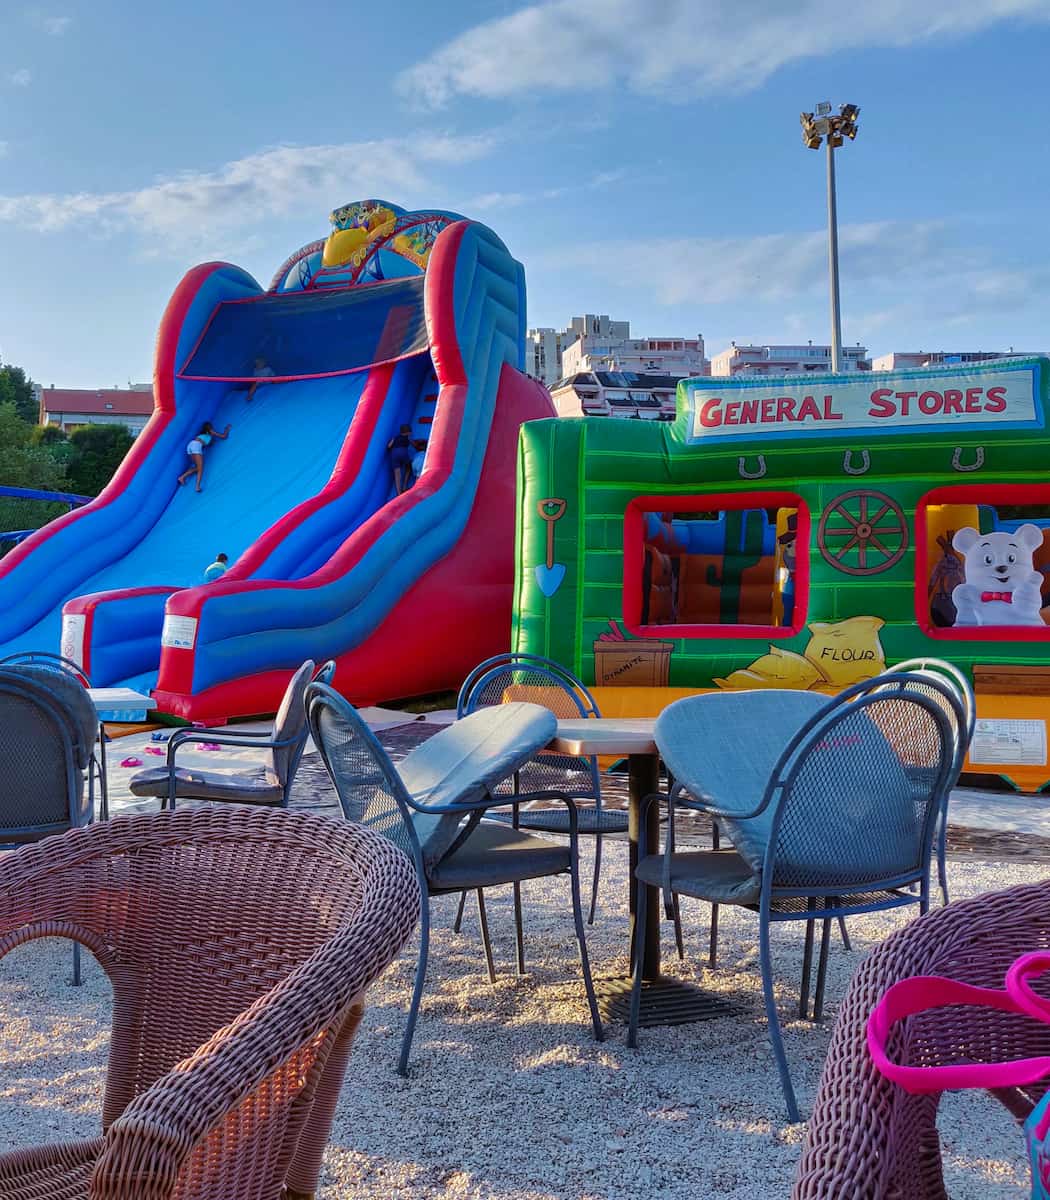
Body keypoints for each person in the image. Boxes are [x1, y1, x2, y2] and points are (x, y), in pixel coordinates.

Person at [177, 420, 231, 492]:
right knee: (201, 469)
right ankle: (197, 487)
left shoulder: (203, 435)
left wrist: (211, 441)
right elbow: (224, 436)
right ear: (209, 428)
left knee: (197, 468)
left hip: (190, 445)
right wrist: (227, 429)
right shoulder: (211, 432)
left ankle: (182, 477)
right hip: (196, 446)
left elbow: (208, 443)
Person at [388, 424, 414, 493]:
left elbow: (389, 446)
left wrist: (392, 450)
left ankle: (399, 492)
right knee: (409, 467)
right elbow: (414, 445)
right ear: (408, 432)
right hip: (402, 451)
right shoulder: (408, 438)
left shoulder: (395, 437)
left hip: (394, 453)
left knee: (397, 474)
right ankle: (404, 486)